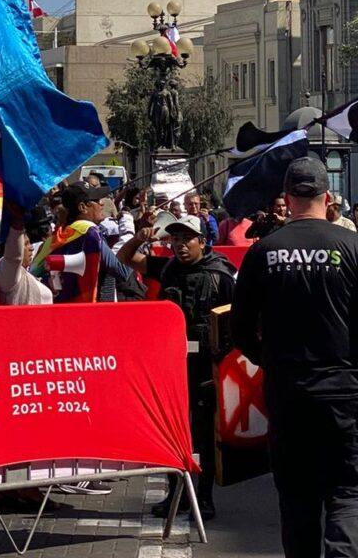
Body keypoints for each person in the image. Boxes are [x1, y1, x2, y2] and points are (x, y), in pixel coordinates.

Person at [232, 156, 358, 558]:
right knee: (347, 493)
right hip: (344, 392)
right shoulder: (353, 247)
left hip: (289, 392)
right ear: (328, 197)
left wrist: (270, 359)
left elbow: (240, 329)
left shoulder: (264, 251)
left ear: (286, 196)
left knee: (298, 498)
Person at [118, 213, 236, 520]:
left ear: (203, 241)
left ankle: (205, 497)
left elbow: (236, 320)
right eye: (176, 240)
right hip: (170, 366)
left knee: (203, 434)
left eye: (187, 239)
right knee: (171, 431)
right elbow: (124, 258)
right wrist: (139, 237)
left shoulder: (220, 274)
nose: (181, 246)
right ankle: (177, 494)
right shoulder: (167, 267)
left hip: (206, 368)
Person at [0, 208, 53, 305]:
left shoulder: (20, 272)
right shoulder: (6, 274)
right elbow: (14, 258)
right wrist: (16, 225)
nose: (31, 248)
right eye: (26, 244)